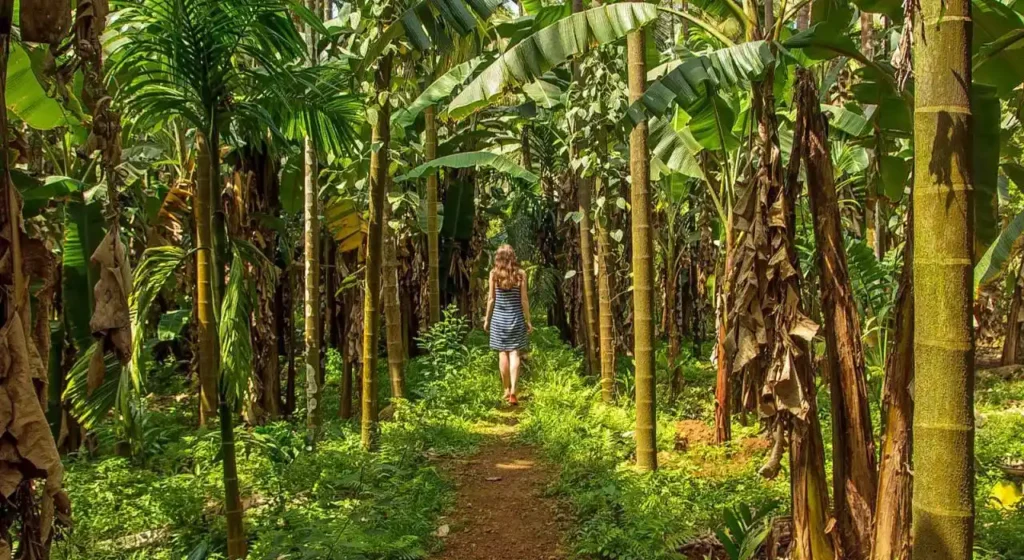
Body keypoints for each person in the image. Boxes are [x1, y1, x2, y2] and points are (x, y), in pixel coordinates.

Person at [483, 244, 533, 405]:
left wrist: (487, 319)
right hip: (516, 318)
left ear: (498, 258)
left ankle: (506, 389)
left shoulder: (494, 274)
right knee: (514, 353)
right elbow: (524, 300)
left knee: (502, 353)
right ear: (513, 257)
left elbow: (491, 299)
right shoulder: (521, 274)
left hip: (498, 320)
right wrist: (528, 320)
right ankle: (514, 390)